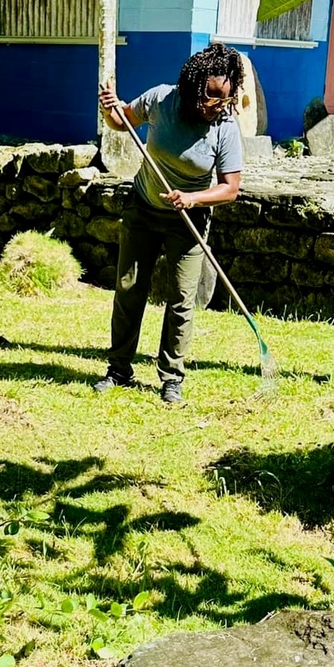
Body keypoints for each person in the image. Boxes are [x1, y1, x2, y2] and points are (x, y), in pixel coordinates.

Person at [95, 42, 244, 405]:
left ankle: (171, 378)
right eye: (210, 97)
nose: (216, 106)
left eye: (223, 98)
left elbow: (230, 189)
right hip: (143, 208)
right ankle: (119, 370)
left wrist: (192, 198)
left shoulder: (225, 127)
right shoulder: (162, 100)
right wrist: (111, 109)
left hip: (187, 221)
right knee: (130, 289)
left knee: (181, 299)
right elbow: (122, 123)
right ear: (193, 88)